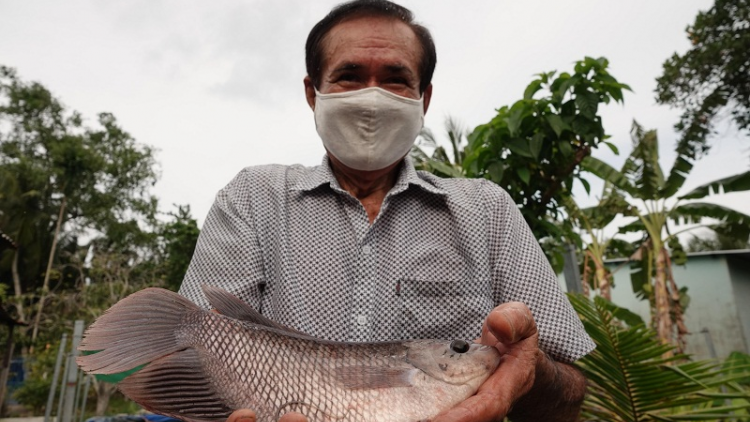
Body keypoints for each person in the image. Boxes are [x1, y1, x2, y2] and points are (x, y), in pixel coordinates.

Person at [179, 1, 595, 420]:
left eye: (396, 79)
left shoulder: (487, 210)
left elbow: (572, 394)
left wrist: (528, 369)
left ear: (423, 97)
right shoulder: (252, 198)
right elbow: (189, 358)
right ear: (313, 92)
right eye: (349, 76)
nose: (372, 98)